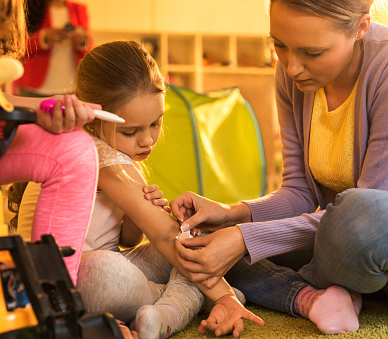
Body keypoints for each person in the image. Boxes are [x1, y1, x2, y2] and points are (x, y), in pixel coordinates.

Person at [169, 0, 388, 335]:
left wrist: (244, 239)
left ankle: (322, 281)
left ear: (360, 27)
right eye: (279, 46)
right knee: (202, 242)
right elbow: (300, 192)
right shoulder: (293, 78)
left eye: (312, 52)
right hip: (350, 244)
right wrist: (233, 215)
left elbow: (369, 211)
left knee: (356, 212)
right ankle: (310, 298)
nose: (291, 67)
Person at [13, 40, 263, 339]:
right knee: (165, 256)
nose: (147, 141)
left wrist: (135, 217)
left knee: (203, 236)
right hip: (80, 282)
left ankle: (164, 302)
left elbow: (126, 239)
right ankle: (175, 304)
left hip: (99, 273)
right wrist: (223, 295)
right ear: (95, 118)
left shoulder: (111, 148)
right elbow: (162, 234)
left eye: (156, 124)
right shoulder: (97, 154)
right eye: (130, 131)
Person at [0, 0, 98, 286]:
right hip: (30, 85)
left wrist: (41, 108)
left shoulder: (74, 8)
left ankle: (54, 294)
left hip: (15, 106)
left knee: (74, 149)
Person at [15, 0, 92, 97]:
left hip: (71, 85)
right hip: (33, 84)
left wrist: (82, 42)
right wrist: (44, 37)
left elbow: (89, 45)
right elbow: (17, 46)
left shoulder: (79, 9)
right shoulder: (29, 7)